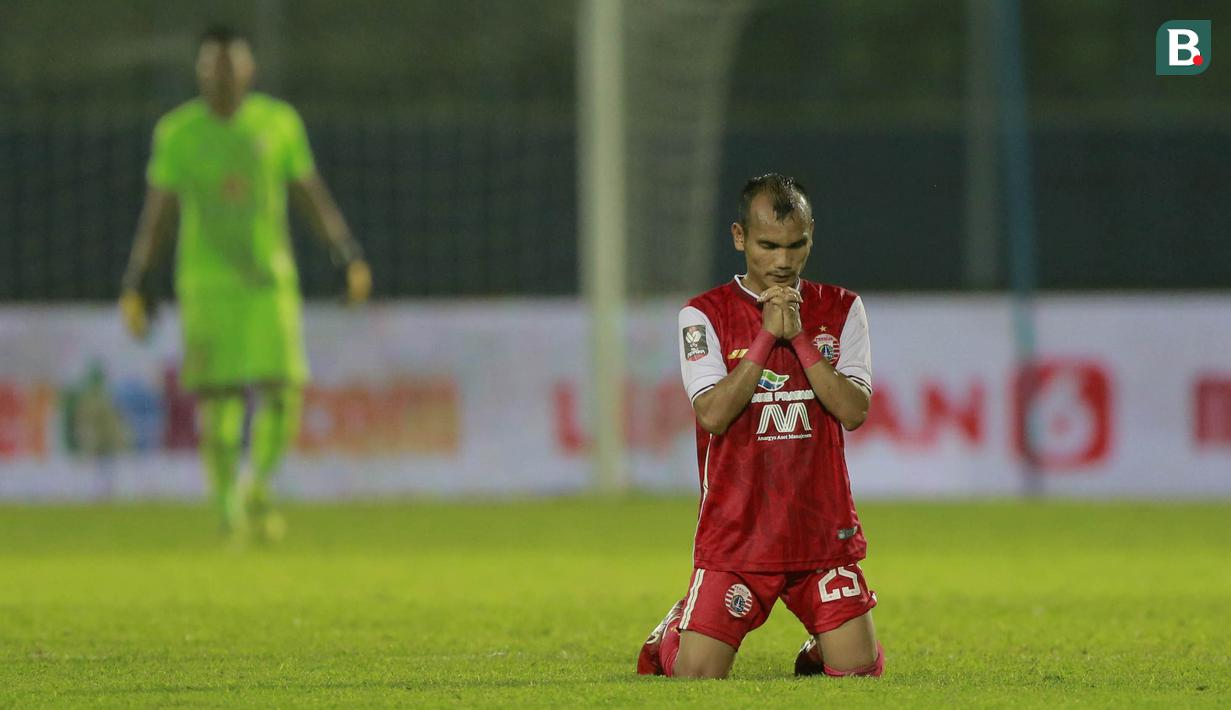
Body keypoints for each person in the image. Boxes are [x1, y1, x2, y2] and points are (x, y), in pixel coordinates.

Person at [119, 25, 371, 539]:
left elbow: (307, 192)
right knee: (220, 397)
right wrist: (139, 280)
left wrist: (345, 253)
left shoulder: (278, 124)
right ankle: (228, 506)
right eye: (213, 69)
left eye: (232, 68)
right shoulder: (177, 133)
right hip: (207, 283)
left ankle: (259, 488)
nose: (224, 80)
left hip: (268, 279)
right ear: (200, 74)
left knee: (283, 390)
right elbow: (159, 214)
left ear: (250, 71)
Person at [637, 173, 883, 679]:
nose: (783, 261)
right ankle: (672, 635)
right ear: (739, 238)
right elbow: (713, 413)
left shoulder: (841, 309)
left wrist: (802, 341)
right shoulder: (703, 315)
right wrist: (766, 340)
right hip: (737, 535)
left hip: (818, 532)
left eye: (797, 245)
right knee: (697, 677)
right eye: (769, 245)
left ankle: (821, 647)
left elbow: (854, 412)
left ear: (812, 235)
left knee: (858, 671)